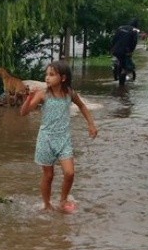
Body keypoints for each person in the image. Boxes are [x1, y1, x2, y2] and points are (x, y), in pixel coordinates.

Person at [20, 60, 98, 212]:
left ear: (63, 78)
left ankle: (63, 200)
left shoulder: (69, 93)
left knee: (70, 173)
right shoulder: (43, 94)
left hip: (63, 138)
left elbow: (82, 106)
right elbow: (23, 113)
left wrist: (91, 124)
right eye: (46, 75)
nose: (47, 78)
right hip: (46, 139)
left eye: (51, 75)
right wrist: (29, 98)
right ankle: (47, 204)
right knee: (48, 176)